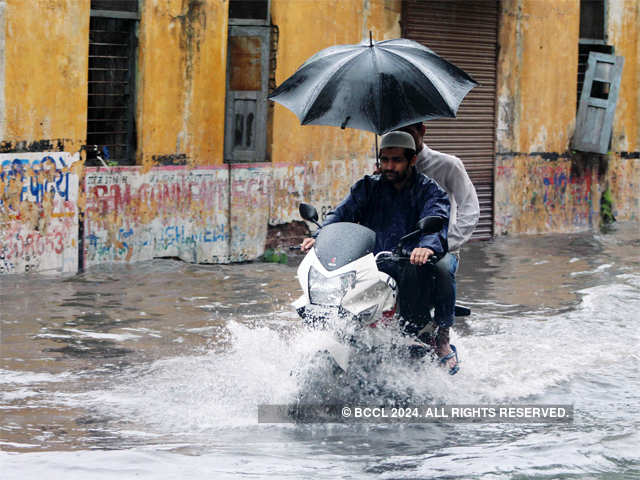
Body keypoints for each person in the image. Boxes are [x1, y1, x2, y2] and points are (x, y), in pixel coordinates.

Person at [301, 131, 459, 373]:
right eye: (384, 160)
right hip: (372, 259)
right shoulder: (367, 187)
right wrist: (319, 237)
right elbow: (339, 215)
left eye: (396, 160)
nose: (389, 166)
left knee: (444, 269)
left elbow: (435, 219)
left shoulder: (429, 190)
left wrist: (426, 246)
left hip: (412, 259)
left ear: (412, 160)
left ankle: (440, 337)